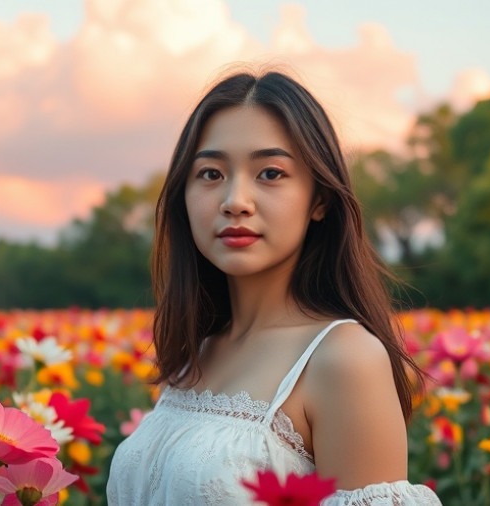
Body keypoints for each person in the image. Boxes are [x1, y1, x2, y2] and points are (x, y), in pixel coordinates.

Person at [107, 68, 441, 505]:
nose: (235, 201)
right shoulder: (199, 348)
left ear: (319, 199)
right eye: (210, 174)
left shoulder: (344, 359)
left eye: (270, 173)